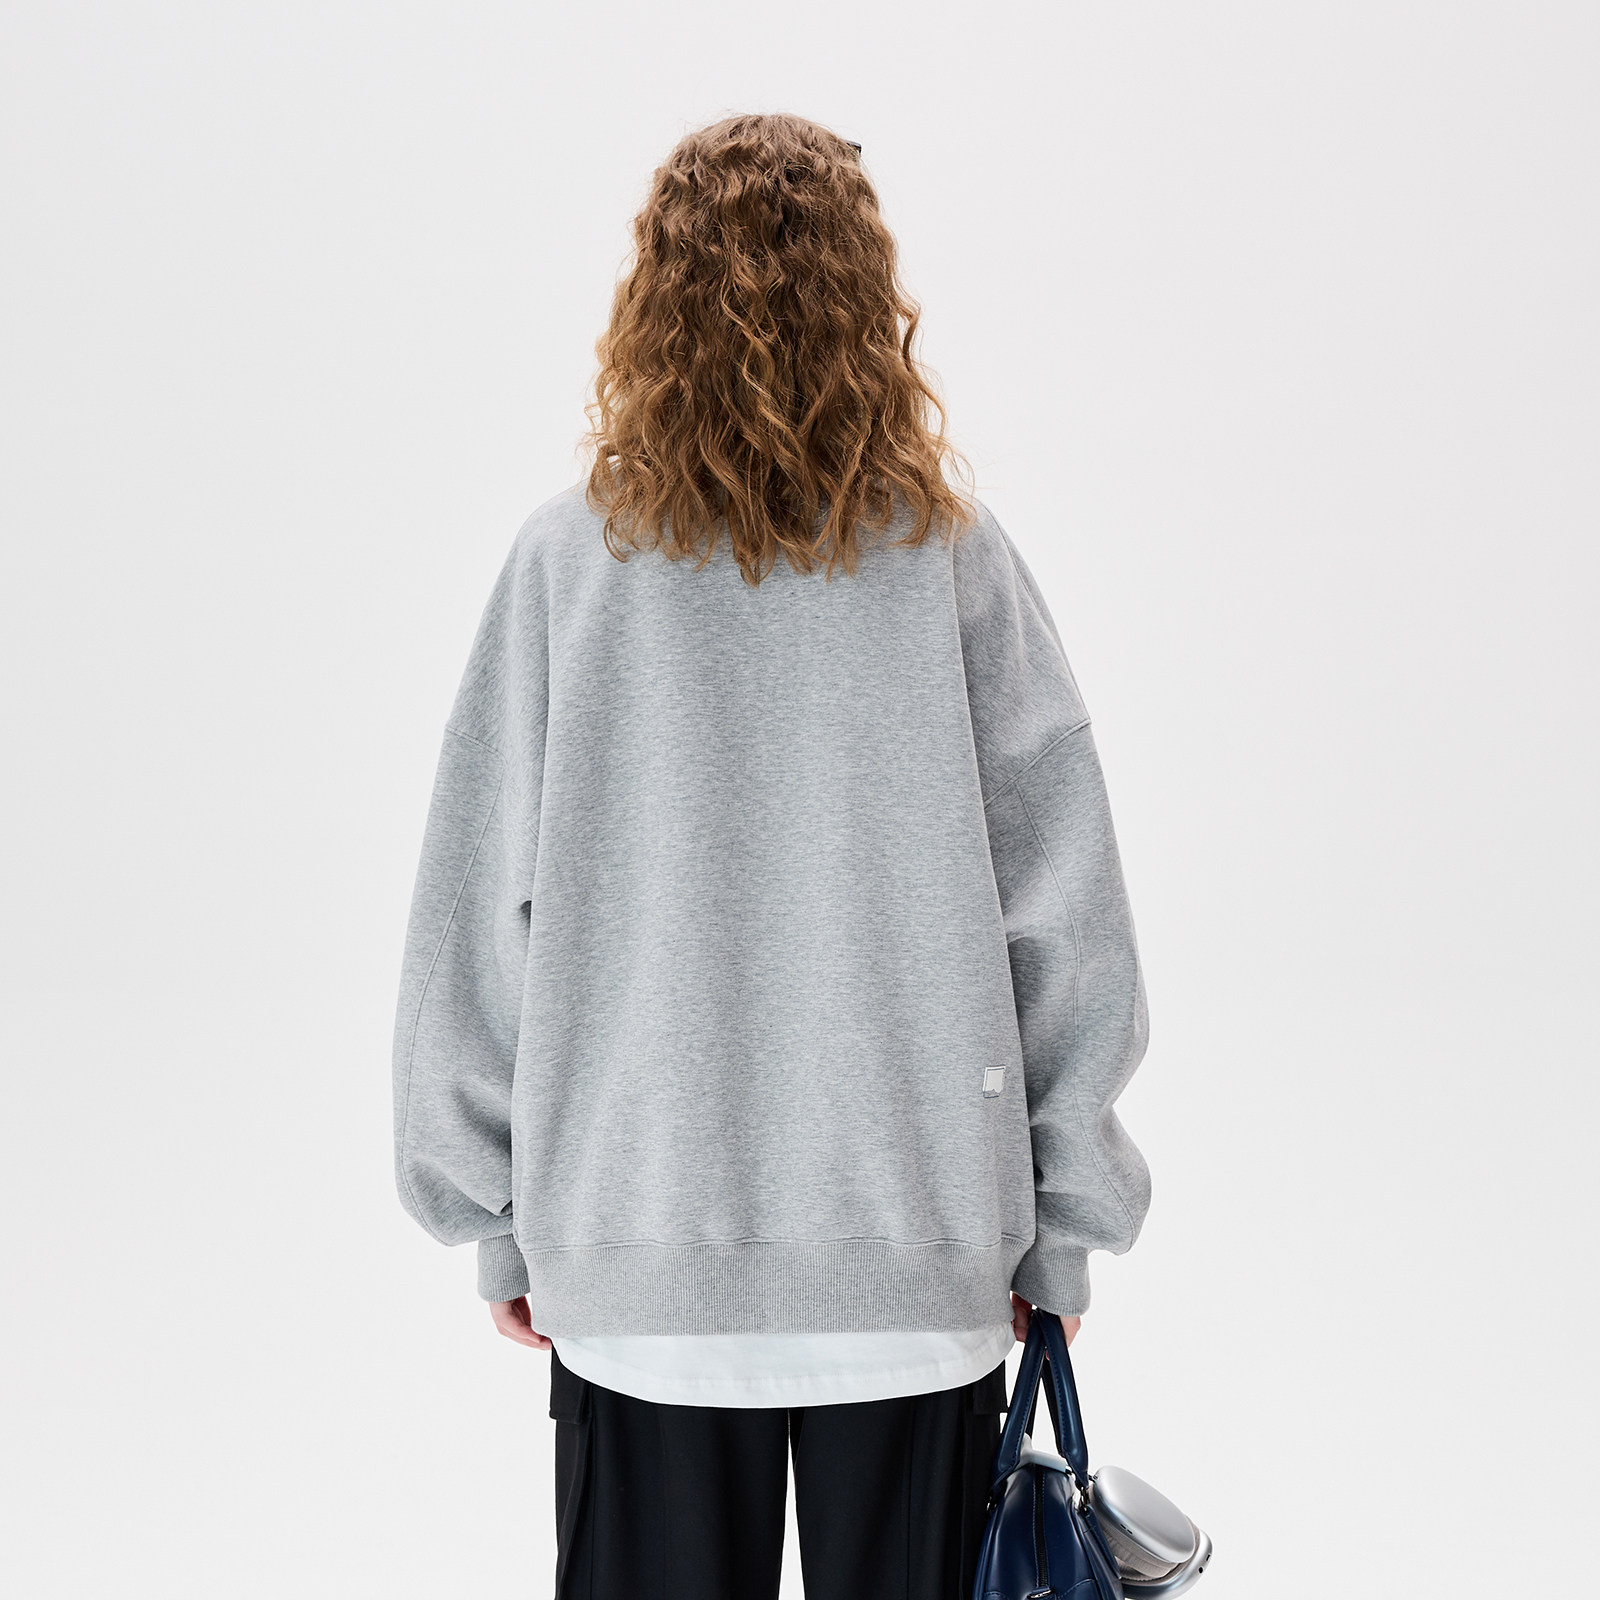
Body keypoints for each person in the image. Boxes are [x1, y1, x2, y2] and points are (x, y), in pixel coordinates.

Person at [392, 112, 1151, 1600]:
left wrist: (497, 1220)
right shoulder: (954, 562)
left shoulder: (569, 565)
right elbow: (1069, 922)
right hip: (920, 1266)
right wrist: (1063, 1231)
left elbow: (472, 922)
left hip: (637, 1262)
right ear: (871, 300)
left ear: (652, 302)